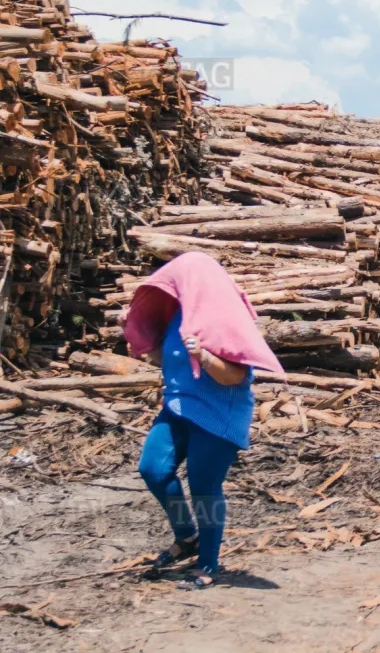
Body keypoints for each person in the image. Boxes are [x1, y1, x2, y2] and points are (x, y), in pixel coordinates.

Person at [120, 252, 283, 590]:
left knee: (205, 489)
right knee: (153, 468)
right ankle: (187, 535)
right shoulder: (178, 314)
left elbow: (236, 377)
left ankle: (207, 561)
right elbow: (167, 358)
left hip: (218, 414)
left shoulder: (225, 316)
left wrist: (205, 356)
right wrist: (141, 334)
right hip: (178, 407)